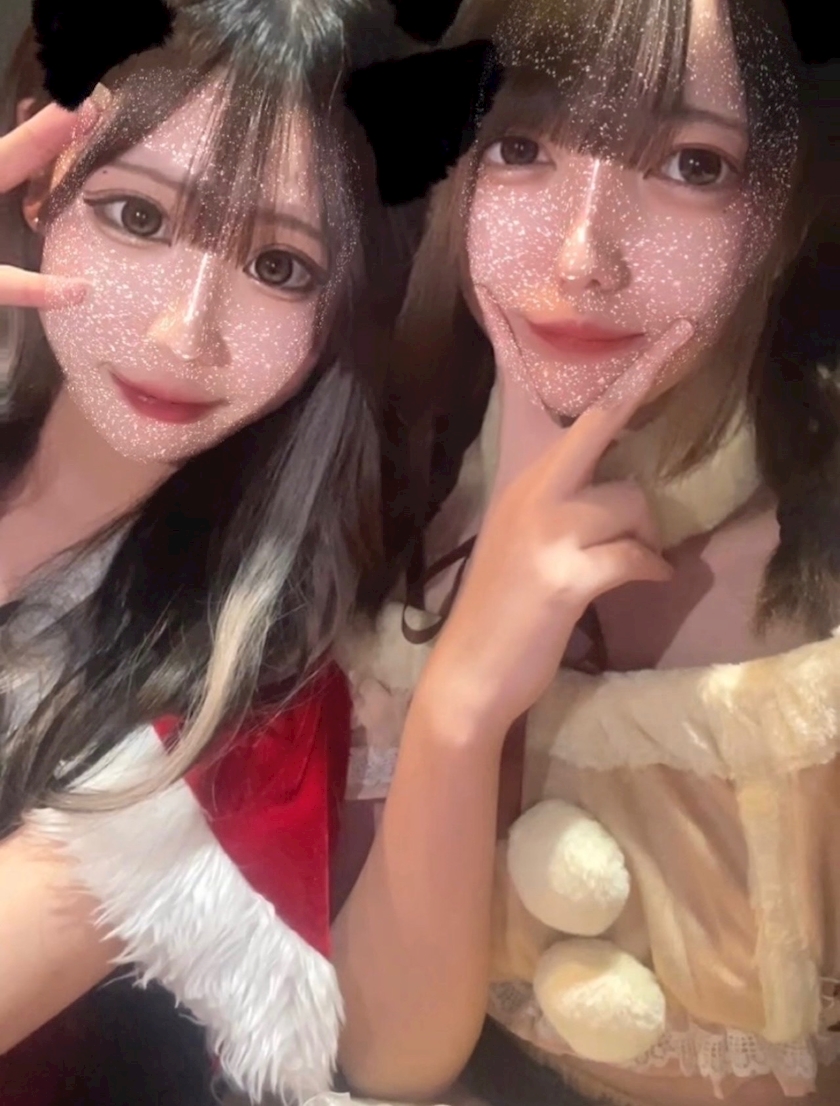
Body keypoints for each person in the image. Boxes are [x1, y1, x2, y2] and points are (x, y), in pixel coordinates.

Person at [330, 0, 840, 1103]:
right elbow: (388, 1056)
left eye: (693, 164)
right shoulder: (382, 493)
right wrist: (462, 703)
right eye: (519, 147)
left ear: (786, 212)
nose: (582, 255)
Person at [0, 1, 422, 1100]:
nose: (186, 329)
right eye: (137, 214)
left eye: (280, 266)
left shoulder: (244, 704)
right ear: (41, 183)